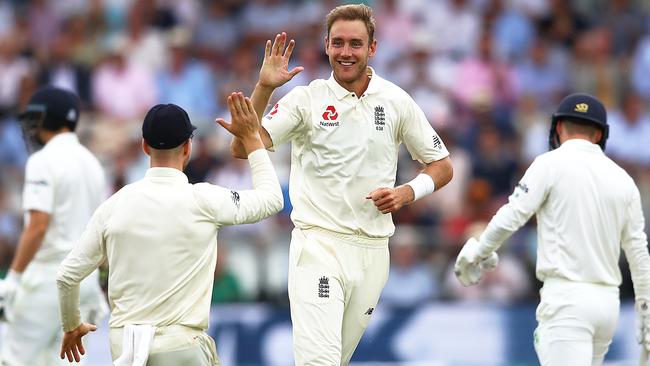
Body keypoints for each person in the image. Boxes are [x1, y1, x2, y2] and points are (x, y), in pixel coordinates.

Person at [231, 4, 453, 365]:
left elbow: (441, 165)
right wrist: (263, 88)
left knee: (335, 360)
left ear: (372, 48)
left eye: (355, 43)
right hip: (318, 244)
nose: (345, 52)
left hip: (374, 251)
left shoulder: (395, 100)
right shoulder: (307, 99)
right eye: (338, 43)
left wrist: (407, 192)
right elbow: (242, 146)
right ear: (326, 45)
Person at [56, 94, 283, 365]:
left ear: (144, 146)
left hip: (125, 350)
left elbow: (67, 277)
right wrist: (252, 139)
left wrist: (72, 326)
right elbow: (272, 199)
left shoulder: (113, 205)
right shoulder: (204, 200)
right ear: (188, 147)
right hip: (180, 347)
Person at [454, 93, 650, 365]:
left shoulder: (549, 164)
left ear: (558, 127)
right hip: (608, 304)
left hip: (567, 301)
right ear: (598, 135)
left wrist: (479, 251)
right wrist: (645, 308)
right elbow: (638, 252)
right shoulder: (623, 179)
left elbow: (512, 215)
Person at [0, 86, 108, 366]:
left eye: (33, 120)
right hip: (84, 282)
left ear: (47, 118)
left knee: (12, 360)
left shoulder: (42, 160)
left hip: (48, 281)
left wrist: (13, 278)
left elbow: (38, 226)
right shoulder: (93, 164)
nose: (30, 128)